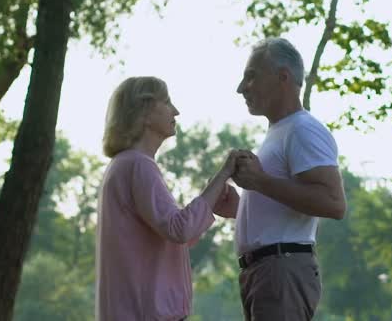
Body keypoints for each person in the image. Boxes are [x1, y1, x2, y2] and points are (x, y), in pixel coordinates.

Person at [96, 76, 239, 321]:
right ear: (145, 111)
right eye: (167, 102)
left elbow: (169, 234)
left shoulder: (123, 165)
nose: (176, 111)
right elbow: (178, 229)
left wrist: (210, 202)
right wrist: (225, 173)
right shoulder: (139, 166)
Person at [231, 38, 348, 321]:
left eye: (251, 76)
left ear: (283, 77)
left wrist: (260, 182)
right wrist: (239, 209)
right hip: (266, 273)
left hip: (280, 271)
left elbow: (334, 204)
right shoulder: (281, 131)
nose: (241, 87)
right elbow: (282, 204)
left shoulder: (303, 129)